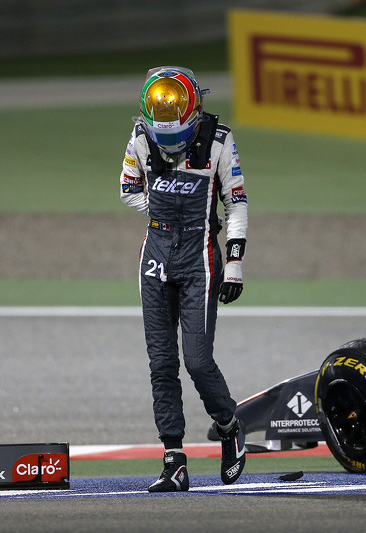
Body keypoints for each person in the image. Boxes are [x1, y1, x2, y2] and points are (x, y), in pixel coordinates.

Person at [119, 66, 248, 492]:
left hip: (200, 258)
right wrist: (157, 212)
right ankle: (173, 459)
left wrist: (234, 264)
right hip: (155, 256)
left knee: (196, 359)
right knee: (161, 364)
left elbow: (236, 204)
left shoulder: (219, 140)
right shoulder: (139, 137)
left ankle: (229, 425)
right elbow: (127, 187)